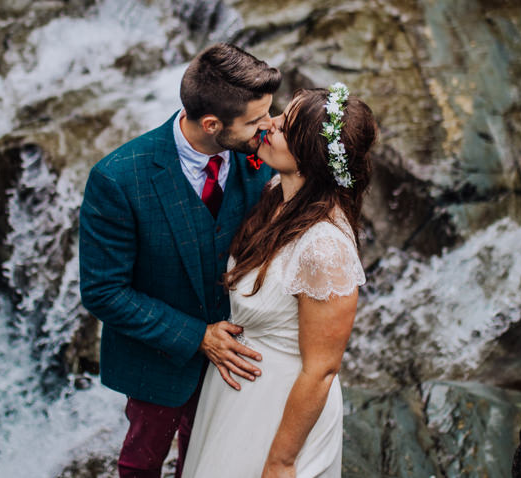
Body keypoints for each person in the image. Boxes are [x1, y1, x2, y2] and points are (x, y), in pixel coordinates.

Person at [78, 43, 281, 478]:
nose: (268, 125)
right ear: (212, 124)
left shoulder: (260, 156)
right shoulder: (117, 178)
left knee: (210, 457)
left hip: (240, 356)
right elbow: (103, 291)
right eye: (255, 119)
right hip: (159, 360)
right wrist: (197, 337)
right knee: (142, 461)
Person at [182, 84, 378, 478]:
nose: (268, 125)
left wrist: (282, 460)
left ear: (310, 158)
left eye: (284, 127)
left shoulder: (326, 247)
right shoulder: (276, 193)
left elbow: (321, 369)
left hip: (278, 410)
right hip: (237, 391)